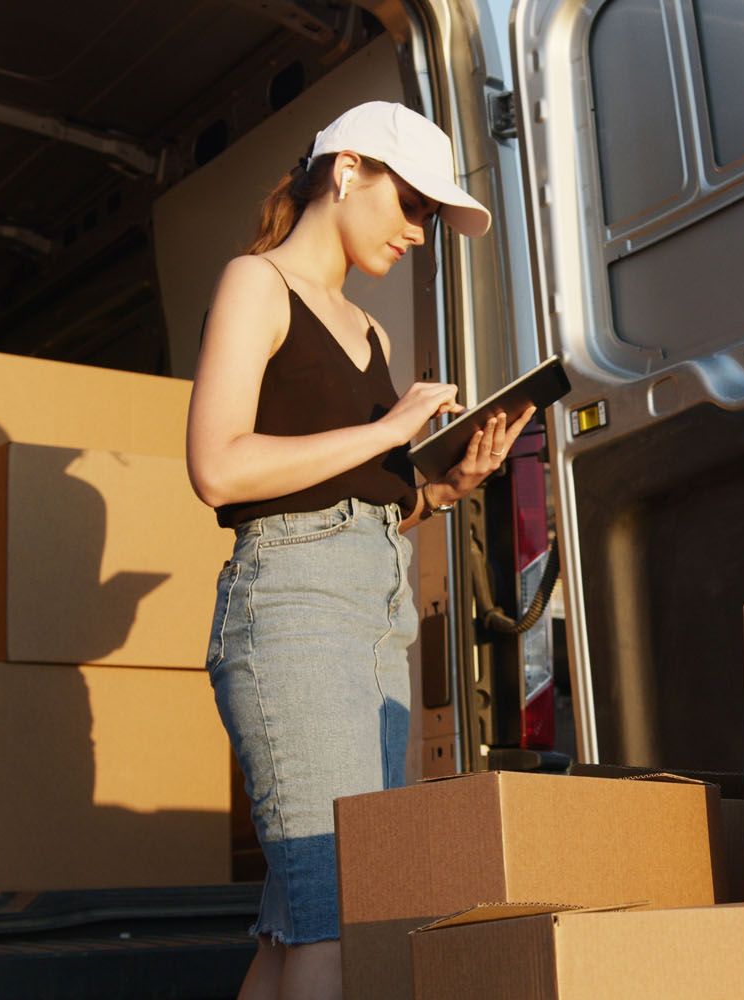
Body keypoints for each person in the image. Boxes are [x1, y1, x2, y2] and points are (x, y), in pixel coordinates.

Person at [185, 101, 535, 1000]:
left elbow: (355, 496)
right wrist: (391, 423)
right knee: (338, 918)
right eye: (414, 206)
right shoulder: (255, 284)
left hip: (377, 623)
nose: (419, 234)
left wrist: (444, 489)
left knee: (309, 915)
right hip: (294, 612)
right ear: (348, 171)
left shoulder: (372, 333)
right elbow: (218, 467)